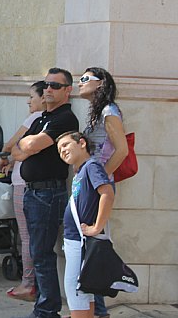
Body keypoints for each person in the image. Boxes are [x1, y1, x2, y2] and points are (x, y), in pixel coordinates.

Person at [10, 67, 79, 318]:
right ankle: (45, 305)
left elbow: (31, 145)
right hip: (32, 193)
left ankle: (47, 310)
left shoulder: (65, 118)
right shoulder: (41, 118)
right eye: (47, 85)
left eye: (55, 86)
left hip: (48, 194)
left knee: (41, 252)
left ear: (68, 91)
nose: (48, 89)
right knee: (37, 251)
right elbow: (18, 150)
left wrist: (26, 147)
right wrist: (25, 148)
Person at [78, 67, 128, 318]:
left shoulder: (109, 111)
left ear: (101, 84)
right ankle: (94, 310)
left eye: (85, 79)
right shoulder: (98, 112)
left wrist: (101, 180)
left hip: (98, 186)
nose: (80, 82)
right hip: (92, 183)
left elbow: (122, 150)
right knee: (89, 248)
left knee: (95, 246)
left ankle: (99, 312)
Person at [56, 132, 115, 318]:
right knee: (82, 293)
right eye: (59, 149)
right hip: (76, 241)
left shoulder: (91, 166)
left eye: (66, 145)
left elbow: (107, 193)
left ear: (81, 143)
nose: (62, 151)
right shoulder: (82, 170)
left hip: (80, 240)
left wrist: (97, 227)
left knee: (75, 290)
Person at [0, 81, 47, 302]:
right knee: (32, 236)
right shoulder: (44, 121)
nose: (29, 101)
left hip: (23, 183)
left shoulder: (35, 118)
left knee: (26, 236)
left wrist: (3, 155)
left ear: (43, 98)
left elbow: (11, 143)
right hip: (29, 180)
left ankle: (28, 283)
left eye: (32, 96)